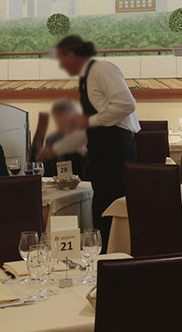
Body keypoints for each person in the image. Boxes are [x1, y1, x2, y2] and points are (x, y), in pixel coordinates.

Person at [39, 35, 140, 252]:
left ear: (72, 55)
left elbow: (126, 104)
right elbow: (89, 128)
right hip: (103, 155)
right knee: (101, 214)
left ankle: (113, 261)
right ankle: (101, 261)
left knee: (111, 214)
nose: (61, 66)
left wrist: (90, 121)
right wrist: (54, 150)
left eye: (61, 59)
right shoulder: (86, 79)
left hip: (116, 153)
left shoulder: (101, 70)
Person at [44, 99, 90, 180]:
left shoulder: (86, 137)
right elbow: (47, 173)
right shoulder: (51, 139)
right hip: (57, 185)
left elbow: (94, 172)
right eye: (58, 118)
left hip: (82, 184)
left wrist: (84, 154)